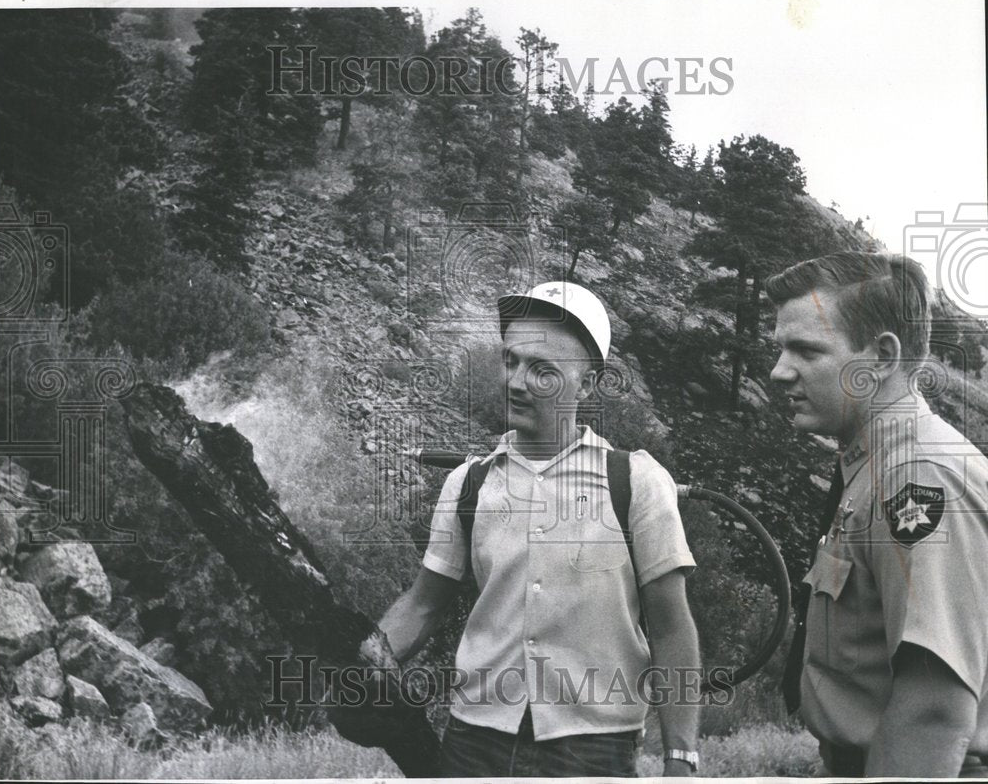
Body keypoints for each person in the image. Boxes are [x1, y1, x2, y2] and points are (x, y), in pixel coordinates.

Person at [377, 281, 701, 776]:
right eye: (511, 361)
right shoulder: (469, 483)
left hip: (593, 750)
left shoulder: (635, 481)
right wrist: (362, 660)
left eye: (543, 370)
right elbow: (423, 604)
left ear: (588, 385)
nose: (517, 381)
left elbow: (672, 627)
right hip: (473, 741)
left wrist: (681, 756)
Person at [767, 252, 988, 777]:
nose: (779, 372)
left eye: (806, 350)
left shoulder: (920, 476)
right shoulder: (872, 463)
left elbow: (933, 711)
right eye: (780, 349)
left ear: (882, 358)